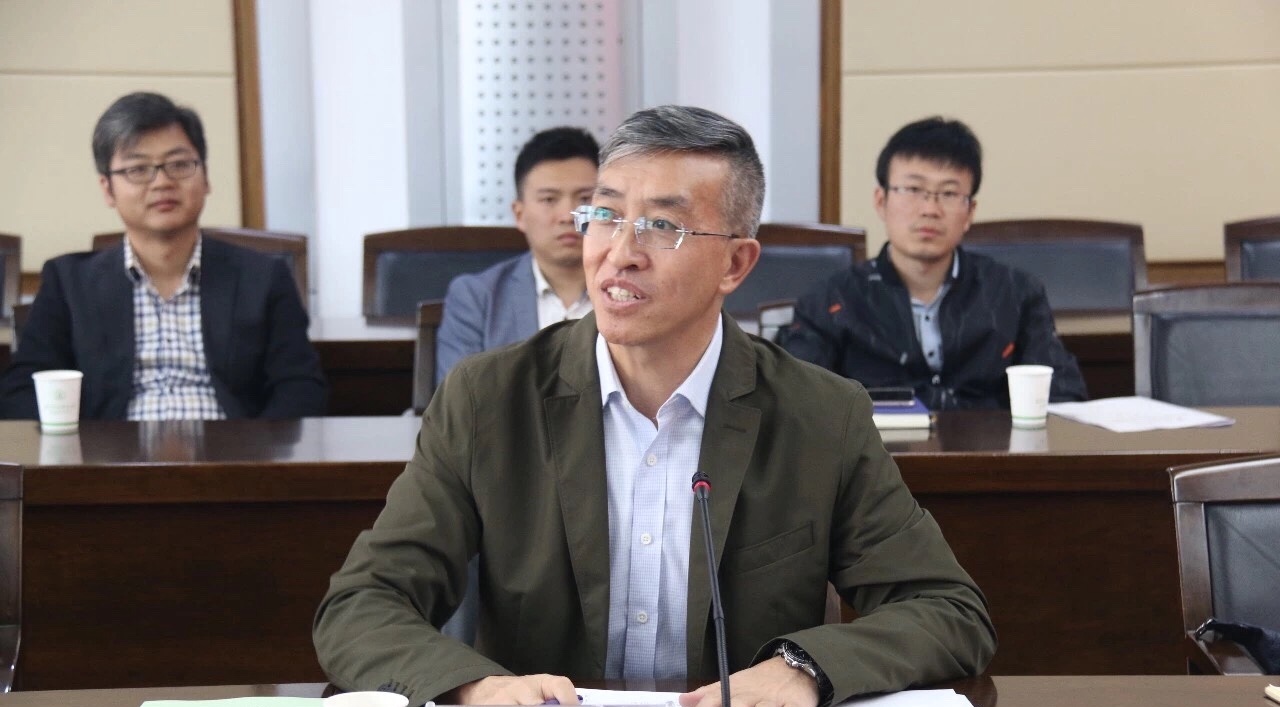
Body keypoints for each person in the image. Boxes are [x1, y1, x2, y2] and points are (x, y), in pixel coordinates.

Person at [313, 105, 995, 707]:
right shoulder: (488, 400)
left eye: (662, 226)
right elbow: (359, 604)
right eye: (606, 215)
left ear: (736, 264)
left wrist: (804, 667)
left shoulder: (820, 414)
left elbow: (948, 609)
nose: (620, 253)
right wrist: (473, 686)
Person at [0, 92, 326, 420]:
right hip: (108, 451)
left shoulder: (264, 278)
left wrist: (257, 451)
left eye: (179, 165)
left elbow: (301, 388)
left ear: (206, 177)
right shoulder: (69, 283)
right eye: (138, 169)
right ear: (107, 189)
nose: (162, 182)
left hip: (233, 449)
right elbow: (22, 390)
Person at [783, 117, 1087, 409]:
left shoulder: (1015, 294)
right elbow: (798, 404)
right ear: (881, 201)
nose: (930, 209)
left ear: (969, 212)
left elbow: (1063, 396)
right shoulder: (831, 301)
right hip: (875, 446)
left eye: (949, 193)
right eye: (913, 190)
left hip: (991, 445)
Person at [435, 127, 599, 383]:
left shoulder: (633, 289)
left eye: (585, 198)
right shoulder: (478, 298)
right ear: (519, 214)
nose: (568, 216)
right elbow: (457, 399)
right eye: (549, 199)